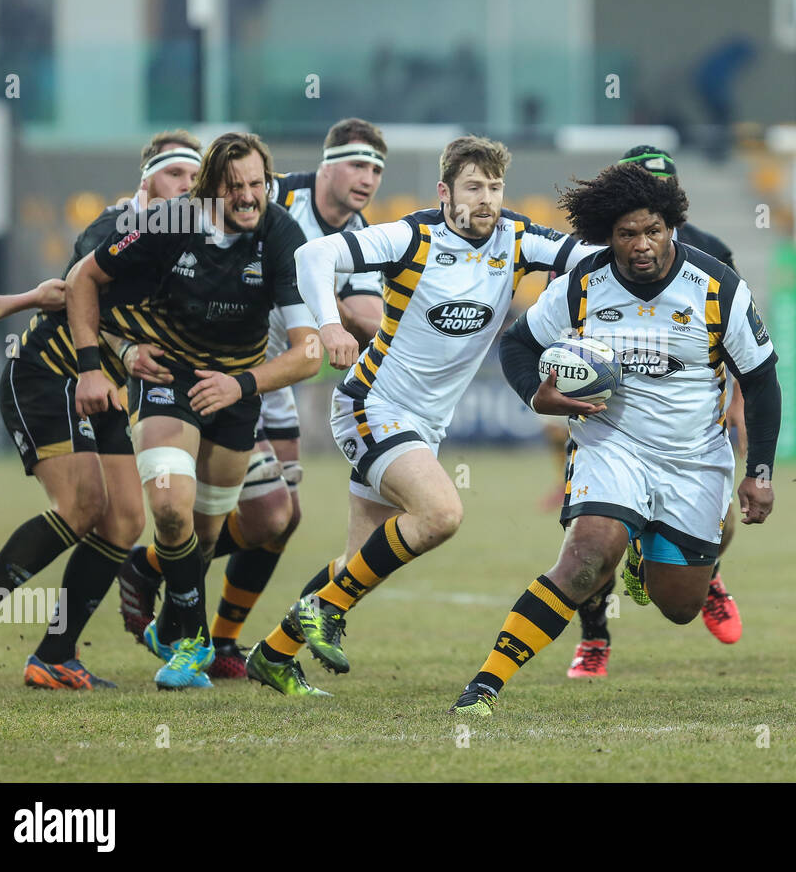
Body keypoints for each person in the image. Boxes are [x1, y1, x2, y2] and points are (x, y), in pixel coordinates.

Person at [244, 135, 601, 696]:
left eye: (495, 187)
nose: (487, 199)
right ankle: (318, 615)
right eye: (474, 187)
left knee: (361, 563)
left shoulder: (517, 237)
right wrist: (328, 325)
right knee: (440, 514)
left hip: (424, 426)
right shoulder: (413, 235)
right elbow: (314, 255)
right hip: (372, 404)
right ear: (445, 192)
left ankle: (273, 652)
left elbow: (592, 261)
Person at [449, 161, 781, 717]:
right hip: (611, 445)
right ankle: (484, 686)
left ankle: (647, 550)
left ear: (671, 225)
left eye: (653, 230)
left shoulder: (718, 288)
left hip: (693, 458)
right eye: (627, 234)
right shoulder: (584, 283)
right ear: (609, 236)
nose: (642, 245)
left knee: (679, 606)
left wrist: (761, 473)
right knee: (584, 560)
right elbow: (516, 344)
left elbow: (762, 380)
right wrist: (538, 395)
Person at [116, 118, 388, 679]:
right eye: (359, 165)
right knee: (257, 513)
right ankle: (202, 628)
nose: (368, 180)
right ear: (328, 163)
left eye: (377, 170)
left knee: (274, 522)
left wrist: (325, 294)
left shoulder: (359, 233)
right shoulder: (269, 195)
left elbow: (367, 318)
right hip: (219, 375)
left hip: (270, 389)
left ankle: (196, 615)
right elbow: (161, 227)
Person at [66, 131, 321, 689]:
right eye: (235, 188)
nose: (249, 197)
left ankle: (171, 621)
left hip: (235, 390)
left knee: (205, 535)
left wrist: (241, 386)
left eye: (258, 184)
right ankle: (193, 641)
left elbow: (308, 351)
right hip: (169, 377)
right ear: (208, 192)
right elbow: (83, 277)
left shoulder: (281, 233)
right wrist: (95, 364)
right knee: (170, 507)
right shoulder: (167, 222)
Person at [0, 131, 200, 690]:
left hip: (106, 388)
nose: (187, 187)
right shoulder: (116, 228)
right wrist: (118, 352)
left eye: (195, 179)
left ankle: (55, 653)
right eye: (176, 176)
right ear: (148, 182)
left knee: (123, 520)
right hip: (52, 374)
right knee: (82, 504)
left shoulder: (187, 241)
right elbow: (77, 293)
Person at [565, 144, 747, 679]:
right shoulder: (593, 254)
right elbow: (558, 329)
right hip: (608, 425)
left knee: (724, 522)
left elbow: (742, 335)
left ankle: (703, 571)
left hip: (690, 428)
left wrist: (736, 397)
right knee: (592, 548)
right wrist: (552, 387)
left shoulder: (712, 252)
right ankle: (595, 638)